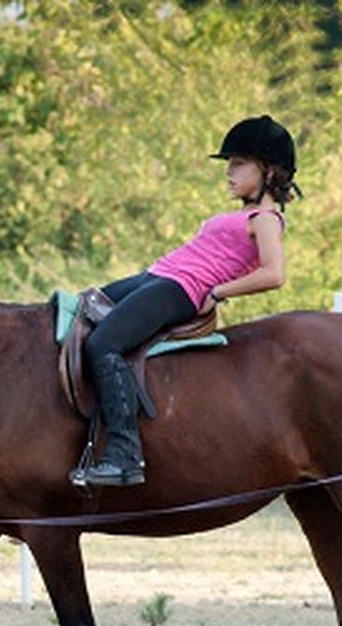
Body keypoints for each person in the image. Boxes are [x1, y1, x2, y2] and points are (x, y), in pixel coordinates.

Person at [68, 115, 298, 488]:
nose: (229, 172)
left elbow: (274, 274)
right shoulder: (239, 213)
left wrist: (217, 292)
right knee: (76, 315)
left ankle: (124, 455)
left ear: (269, 171)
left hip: (183, 288)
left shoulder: (266, 218)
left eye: (238, 164)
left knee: (103, 344)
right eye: (229, 164)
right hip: (157, 277)